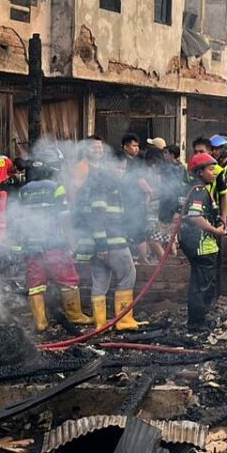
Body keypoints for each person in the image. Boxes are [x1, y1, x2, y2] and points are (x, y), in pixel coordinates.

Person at [15, 159, 93, 331]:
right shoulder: (55, 187)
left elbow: (19, 219)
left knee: (35, 284)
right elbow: (63, 217)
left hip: (32, 245)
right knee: (68, 280)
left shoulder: (23, 191)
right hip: (54, 243)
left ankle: (40, 322)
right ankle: (75, 315)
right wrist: (70, 241)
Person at [75, 138, 143, 331]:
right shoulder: (104, 188)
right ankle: (124, 320)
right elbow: (97, 217)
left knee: (100, 281)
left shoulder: (104, 186)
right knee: (128, 275)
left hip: (99, 245)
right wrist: (103, 244)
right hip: (112, 243)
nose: (121, 173)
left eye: (123, 170)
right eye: (118, 170)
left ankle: (100, 324)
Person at [178, 152, 226, 333]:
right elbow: (195, 217)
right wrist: (215, 231)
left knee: (201, 282)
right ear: (200, 172)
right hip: (199, 244)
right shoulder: (198, 191)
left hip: (197, 242)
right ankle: (197, 324)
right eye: (211, 169)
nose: (215, 172)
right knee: (202, 284)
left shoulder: (196, 188)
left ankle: (198, 320)